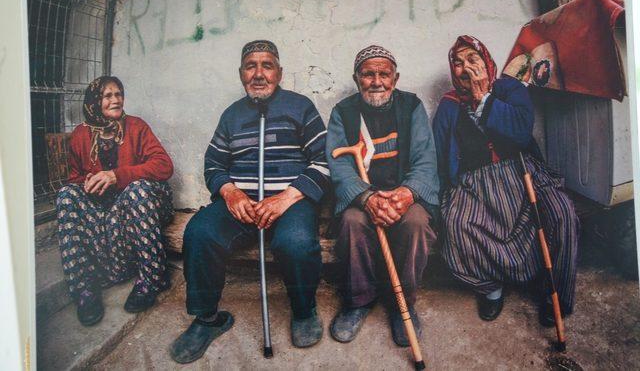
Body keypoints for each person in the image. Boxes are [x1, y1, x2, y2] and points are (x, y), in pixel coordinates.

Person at [170, 40, 331, 364]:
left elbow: (325, 162)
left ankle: (303, 309)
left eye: (267, 65)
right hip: (240, 201)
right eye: (251, 66)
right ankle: (207, 319)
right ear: (241, 74)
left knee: (296, 242)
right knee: (199, 232)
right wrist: (231, 193)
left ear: (279, 72)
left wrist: (287, 197)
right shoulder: (231, 115)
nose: (259, 73)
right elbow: (214, 165)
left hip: (290, 201)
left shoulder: (301, 107)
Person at [432, 35, 578, 324]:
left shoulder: (510, 88)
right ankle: (491, 288)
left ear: (487, 61)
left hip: (522, 171)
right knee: (457, 224)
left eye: (472, 59)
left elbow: (521, 132)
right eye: (458, 62)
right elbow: (439, 154)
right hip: (474, 183)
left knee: (561, 213)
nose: (466, 68)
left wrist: (483, 100)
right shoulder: (449, 105)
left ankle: (554, 293)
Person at [325, 45, 439, 346]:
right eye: (368, 74)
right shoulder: (343, 113)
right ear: (356, 78)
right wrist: (367, 199)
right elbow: (338, 166)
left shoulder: (411, 106)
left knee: (416, 223)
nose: (376, 81)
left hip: (404, 195)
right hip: (364, 197)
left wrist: (405, 194)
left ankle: (403, 302)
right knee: (351, 222)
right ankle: (359, 300)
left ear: (395, 78)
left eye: (383, 74)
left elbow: (425, 159)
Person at [56, 75, 174, 326]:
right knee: (66, 195)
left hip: (143, 204)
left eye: (118, 94)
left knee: (136, 190)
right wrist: (88, 182)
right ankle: (84, 289)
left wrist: (116, 176)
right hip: (106, 207)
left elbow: (164, 166)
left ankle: (152, 277)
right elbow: (75, 177)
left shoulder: (136, 127)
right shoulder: (81, 134)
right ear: (94, 102)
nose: (115, 100)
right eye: (108, 96)